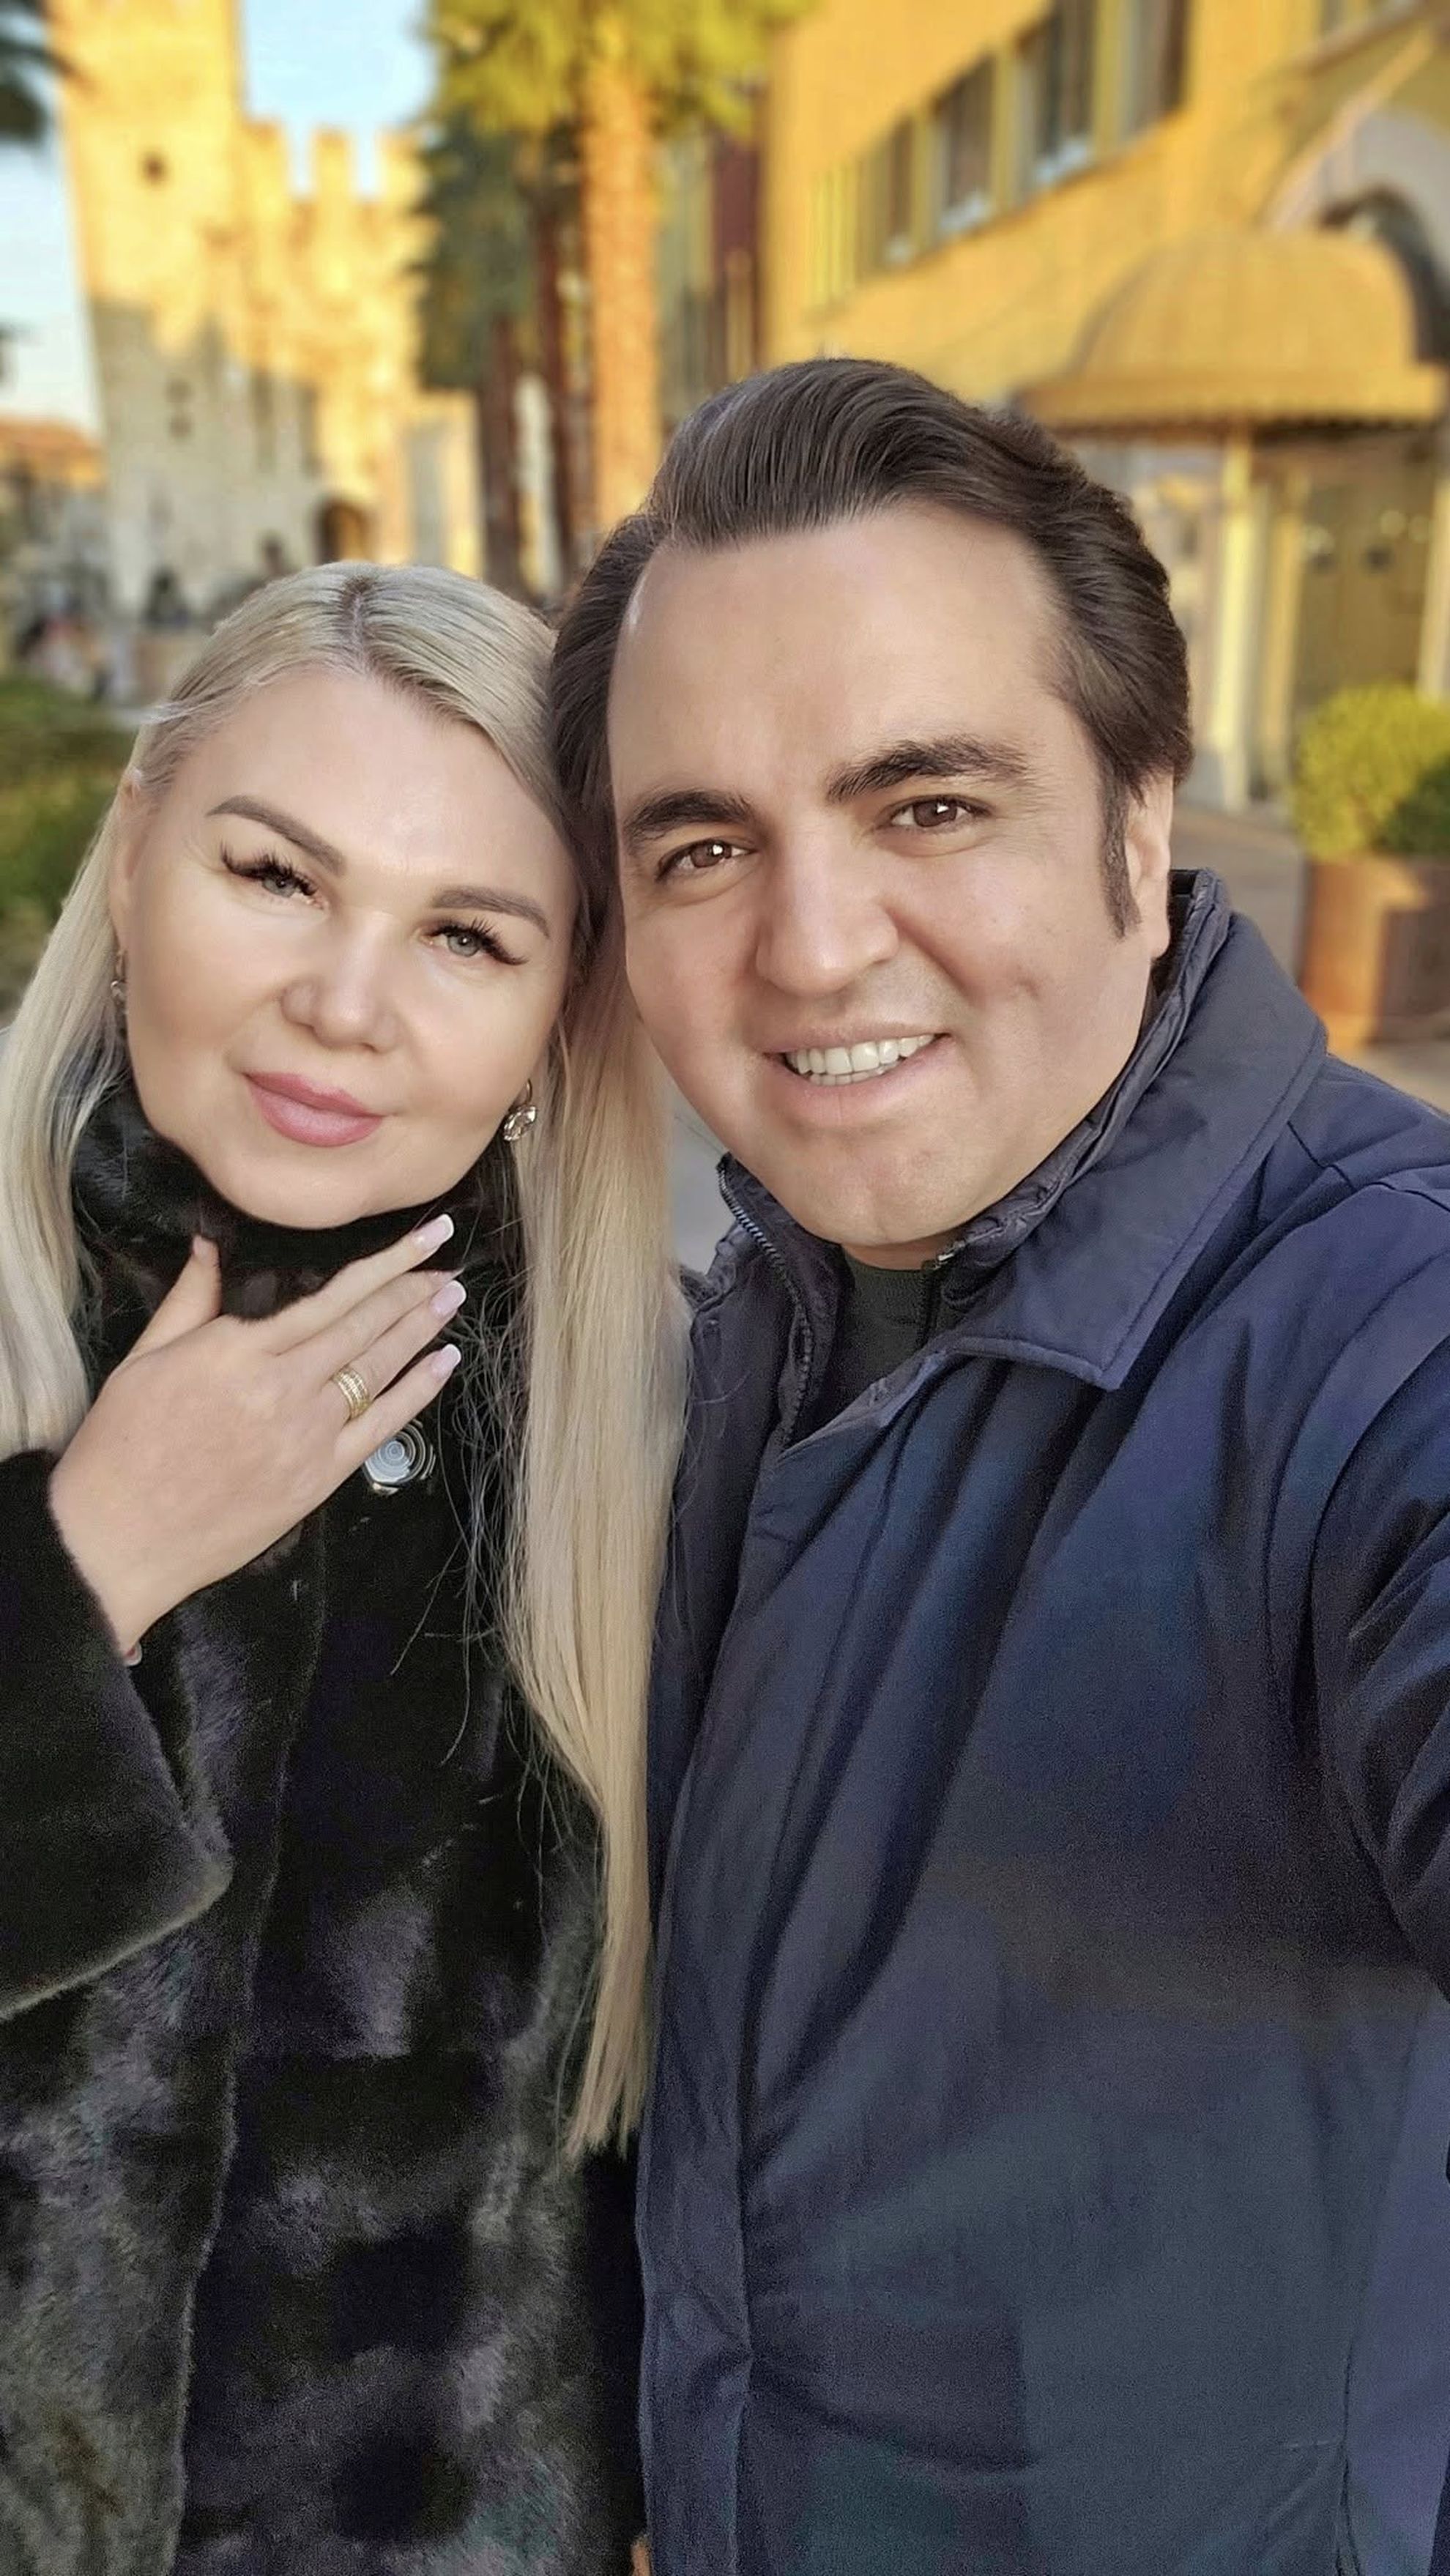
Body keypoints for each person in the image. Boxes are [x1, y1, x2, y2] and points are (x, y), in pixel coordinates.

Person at [551, 358, 1450, 2575]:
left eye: (930, 804)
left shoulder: (1382, 1337)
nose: (811, 946)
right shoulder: (751, 1313)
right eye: (702, 848)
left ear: (1140, 829)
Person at [0, 562, 685, 2572]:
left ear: (561, 1006)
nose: (345, 1005)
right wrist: (83, 1566)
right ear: (138, 852)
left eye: (466, 934)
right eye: (276, 875)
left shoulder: (640, 1437)